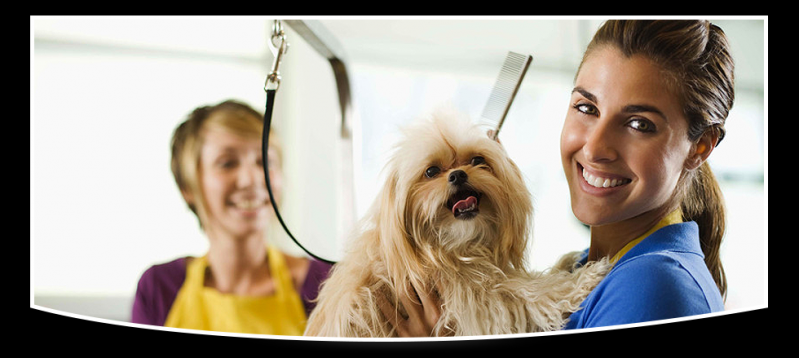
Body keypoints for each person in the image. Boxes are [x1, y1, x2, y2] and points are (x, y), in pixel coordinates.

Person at [384, 19, 732, 335]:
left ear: (699, 147)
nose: (595, 148)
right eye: (586, 108)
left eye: (639, 124)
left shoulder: (653, 286)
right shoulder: (588, 266)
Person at [131, 100, 332, 335]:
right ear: (188, 186)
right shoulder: (160, 288)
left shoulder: (324, 284)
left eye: (264, 162)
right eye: (227, 163)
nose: (252, 179)